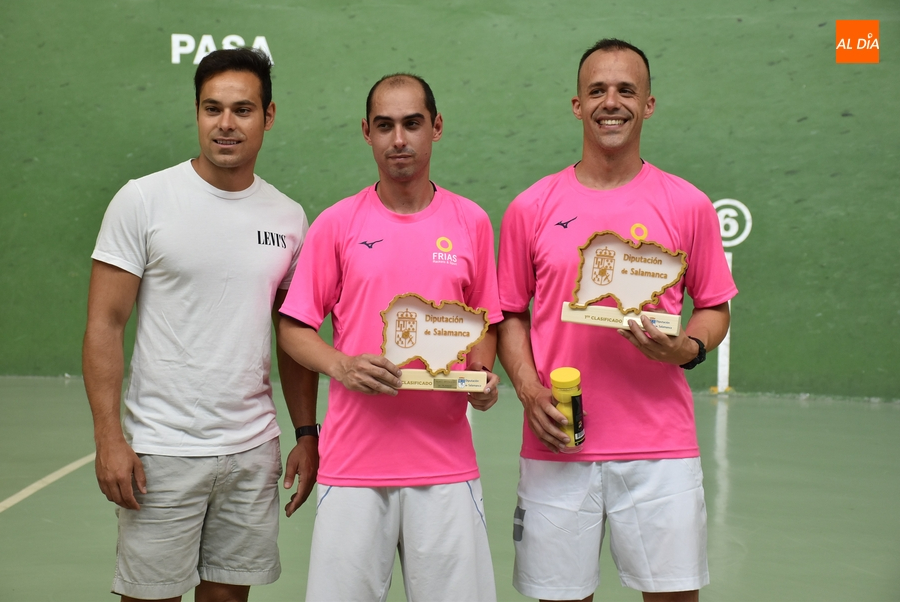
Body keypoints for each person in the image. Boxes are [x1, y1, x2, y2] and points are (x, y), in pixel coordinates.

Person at [497, 39, 737, 602]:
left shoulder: (688, 204)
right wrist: (530, 390)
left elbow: (714, 307)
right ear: (577, 105)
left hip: (660, 448)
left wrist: (688, 349)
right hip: (558, 442)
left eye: (626, 90)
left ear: (648, 103)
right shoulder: (530, 207)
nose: (612, 102)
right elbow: (508, 312)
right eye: (597, 90)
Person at [82, 47, 319, 602]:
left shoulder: (289, 218)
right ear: (196, 113)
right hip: (161, 451)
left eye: (242, 110)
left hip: (251, 450)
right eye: (212, 109)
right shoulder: (142, 200)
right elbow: (104, 323)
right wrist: (108, 437)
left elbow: (293, 336)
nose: (226, 124)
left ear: (269, 115)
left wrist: (306, 432)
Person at [277, 73, 501, 601]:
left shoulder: (472, 222)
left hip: (446, 468)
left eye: (412, 124)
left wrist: (482, 377)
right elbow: (293, 327)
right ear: (367, 133)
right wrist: (340, 364)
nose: (398, 139)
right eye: (385, 126)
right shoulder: (336, 224)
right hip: (352, 468)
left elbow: (485, 323)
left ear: (436, 128)